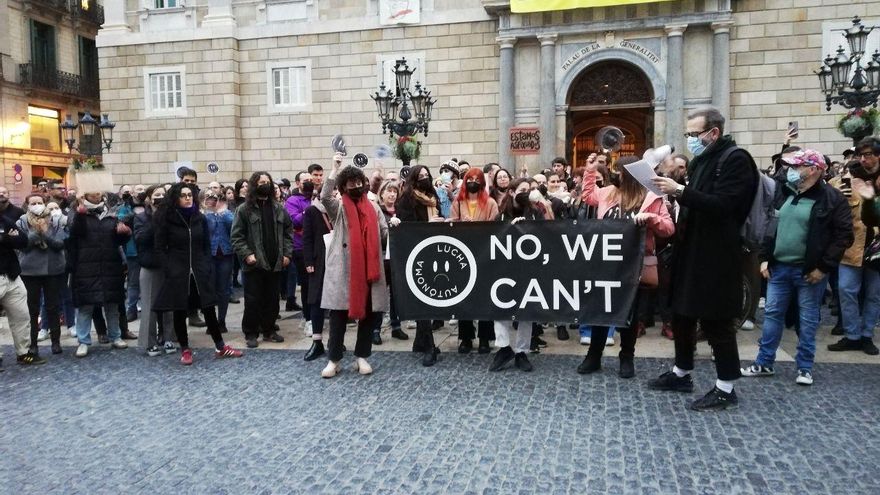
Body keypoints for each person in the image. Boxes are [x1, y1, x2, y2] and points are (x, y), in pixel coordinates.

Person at [649, 106, 759, 411]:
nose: (690, 139)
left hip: (716, 255)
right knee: (682, 315)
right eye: (687, 133)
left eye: (694, 134)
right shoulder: (701, 161)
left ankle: (726, 387)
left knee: (717, 322)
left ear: (713, 133)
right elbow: (695, 203)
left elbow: (724, 205)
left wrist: (681, 191)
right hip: (690, 250)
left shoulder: (736, 160)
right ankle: (681, 372)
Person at [741, 149, 853, 385]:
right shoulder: (785, 193)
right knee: (772, 315)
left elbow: (843, 237)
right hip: (778, 267)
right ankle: (764, 362)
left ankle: (804, 367)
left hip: (809, 271)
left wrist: (823, 267)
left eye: (796, 166)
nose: (790, 171)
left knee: (808, 318)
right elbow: (770, 226)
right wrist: (764, 257)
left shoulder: (832, 199)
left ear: (813, 170)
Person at [578, 155, 674, 378]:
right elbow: (587, 196)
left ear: (630, 174)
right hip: (606, 265)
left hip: (635, 266)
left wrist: (652, 219)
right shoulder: (608, 192)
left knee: (629, 314)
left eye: (618, 171)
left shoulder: (651, 197)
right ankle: (594, 356)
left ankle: (626, 357)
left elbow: (668, 229)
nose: (614, 175)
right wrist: (590, 171)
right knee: (601, 311)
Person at [152, 183, 243, 365]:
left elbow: (205, 244)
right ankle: (185, 349)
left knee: (208, 307)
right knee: (180, 309)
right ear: (176, 198)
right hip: (178, 270)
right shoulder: (168, 218)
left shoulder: (198, 218)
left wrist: (206, 264)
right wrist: (170, 267)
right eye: (183, 195)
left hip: (199, 270)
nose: (187, 198)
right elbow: (160, 247)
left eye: (189, 195)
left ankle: (220, 346)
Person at [318, 153, 389, 378]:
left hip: (370, 270)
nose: (357, 187)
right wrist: (334, 168)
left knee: (368, 316)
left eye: (360, 183)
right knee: (338, 316)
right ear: (344, 187)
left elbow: (383, 232)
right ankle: (334, 359)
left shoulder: (374, 207)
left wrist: (393, 225)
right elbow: (325, 196)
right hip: (344, 271)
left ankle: (362, 356)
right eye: (352, 184)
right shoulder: (338, 208)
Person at [231, 172, 294, 348]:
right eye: (261, 182)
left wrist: (287, 254)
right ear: (254, 185)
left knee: (272, 299)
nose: (265, 184)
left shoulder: (278, 208)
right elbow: (237, 236)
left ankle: (269, 330)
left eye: (267, 182)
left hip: (275, 262)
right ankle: (251, 332)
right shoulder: (244, 209)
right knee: (252, 300)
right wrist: (247, 254)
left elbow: (288, 232)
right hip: (254, 263)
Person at [68, 192, 131, 358]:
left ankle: (115, 336)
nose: (96, 195)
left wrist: (124, 234)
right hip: (85, 268)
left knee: (112, 305)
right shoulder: (78, 213)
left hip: (110, 266)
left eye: (98, 192)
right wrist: (81, 215)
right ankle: (83, 341)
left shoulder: (110, 214)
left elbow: (117, 240)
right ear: (86, 194)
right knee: (86, 307)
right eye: (93, 193)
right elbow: (74, 234)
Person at [828, 156, 880, 356]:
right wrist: (836, 194)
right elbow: (826, 200)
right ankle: (852, 335)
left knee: (873, 295)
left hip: (875, 250)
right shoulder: (839, 184)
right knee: (846, 291)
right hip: (850, 249)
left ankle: (866, 335)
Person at [490, 178, 541, 372]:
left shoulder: (535, 213)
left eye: (530, 190)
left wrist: (527, 225)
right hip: (504, 271)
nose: (527, 193)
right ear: (512, 192)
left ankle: (521, 352)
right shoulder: (501, 216)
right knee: (499, 309)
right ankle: (503, 347)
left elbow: (548, 233)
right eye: (523, 189)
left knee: (526, 312)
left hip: (529, 270)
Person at [395, 164, 444, 366]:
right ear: (414, 179)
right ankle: (429, 346)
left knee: (431, 296)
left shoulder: (433, 197)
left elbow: (438, 215)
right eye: (421, 175)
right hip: (416, 252)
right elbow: (407, 227)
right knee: (423, 297)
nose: (425, 178)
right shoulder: (406, 200)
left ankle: (420, 341)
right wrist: (428, 225)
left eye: (427, 175)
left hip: (434, 249)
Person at [450, 168, 499, 354]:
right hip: (462, 255)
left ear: (481, 182)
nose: (472, 182)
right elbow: (452, 223)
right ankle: (466, 337)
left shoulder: (491, 203)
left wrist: (478, 226)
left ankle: (485, 337)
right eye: (469, 179)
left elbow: (496, 227)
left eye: (475, 179)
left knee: (485, 297)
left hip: (484, 253)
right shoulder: (458, 202)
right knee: (464, 296)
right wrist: (462, 225)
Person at [15, 193, 67, 357]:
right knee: (32, 309)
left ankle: (56, 342)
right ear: (27, 205)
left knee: (53, 306)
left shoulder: (56, 220)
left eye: (39, 202)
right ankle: (33, 344)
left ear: (45, 204)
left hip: (53, 269)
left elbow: (59, 244)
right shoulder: (22, 221)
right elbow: (23, 246)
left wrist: (44, 234)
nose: (36, 205)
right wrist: (36, 234)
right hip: (29, 271)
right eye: (33, 203)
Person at [134, 185, 176, 356]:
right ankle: (149, 342)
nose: (160, 197)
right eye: (156, 195)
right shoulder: (142, 217)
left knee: (169, 307)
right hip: (150, 266)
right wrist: (156, 219)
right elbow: (140, 238)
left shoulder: (172, 216)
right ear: (149, 198)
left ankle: (168, 338)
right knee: (149, 306)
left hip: (168, 265)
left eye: (162, 195)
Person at [0, 209, 45, 368]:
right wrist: (7, 237)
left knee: (22, 316)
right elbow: (11, 239)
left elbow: (23, 241)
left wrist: (5, 238)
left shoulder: (5, 220)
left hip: (11, 276)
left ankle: (24, 353)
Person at [373, 179, 409, 344]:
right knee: (380, 294)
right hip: (381, 256)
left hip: (397, 257)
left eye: (395, 191)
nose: (392, 194)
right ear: (382, 193)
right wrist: (390, 226)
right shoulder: (377, 210)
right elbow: (378, 234)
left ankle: (396, 326)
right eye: (389, 191)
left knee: (396, 293)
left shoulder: (400, 211)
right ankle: (375, 329)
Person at [202, 188, 235, 334]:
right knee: (209, 290)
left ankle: (221, 320)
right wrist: (208, 210)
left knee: (224, 289)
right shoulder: (204, 215)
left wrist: (222, 210)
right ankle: (211, 322)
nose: (212, 200)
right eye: (209, 197)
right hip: (209, 255)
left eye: (215, 197)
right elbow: (205, 228)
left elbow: (232, 224)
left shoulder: (227, 213)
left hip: (226, 254)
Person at [284, 171, 314, 321]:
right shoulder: (292, 200)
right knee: (307, 284)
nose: (309, 182)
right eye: (305, 180)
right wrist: (311, 209)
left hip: (317, 246)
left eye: (310, 179)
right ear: (297, 183)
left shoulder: (316, 198)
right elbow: (295, 221)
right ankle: (308, 318)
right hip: (300, 247)